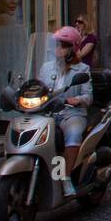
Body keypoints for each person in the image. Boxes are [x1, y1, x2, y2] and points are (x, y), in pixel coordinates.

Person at [38, 27, 93, 199]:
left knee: (73, 134)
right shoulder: (46, 68)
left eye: (63, 46)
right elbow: (38, 88)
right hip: (49, 114)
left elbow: (88, 96)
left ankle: (66, 177)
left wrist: (74, 100)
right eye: (56, 45)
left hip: (71, 113)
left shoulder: (82, 69)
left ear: (73, 48)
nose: (58, 49)